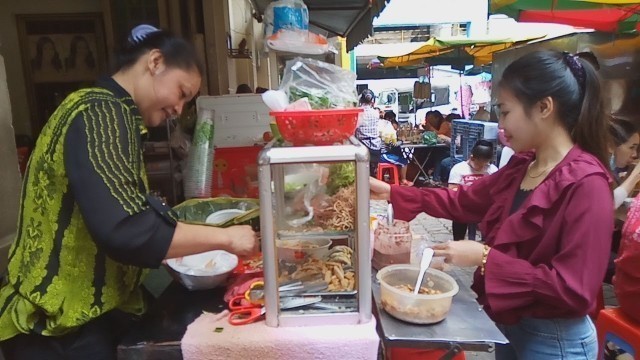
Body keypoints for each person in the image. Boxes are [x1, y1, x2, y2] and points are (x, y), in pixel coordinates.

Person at [0, 24, 258, 360]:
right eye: (181, 92)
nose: (180, 109)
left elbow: (130, 208)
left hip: (93, 316)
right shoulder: (99, 112)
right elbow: (127, 229)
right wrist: (226, 239)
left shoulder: (113, 113)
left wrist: (173, 244)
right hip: (57, 328)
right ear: (155, 62)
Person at [370, 50, 612, 359]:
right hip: (509, 324)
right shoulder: (523, 167)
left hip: (555, 340)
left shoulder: (586, 183)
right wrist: (392, 192)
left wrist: (485, 257)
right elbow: (463, 201)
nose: (501, 123)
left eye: (506, 111)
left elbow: (574, 290)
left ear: (543, 107)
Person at [448, 140, 498, 240]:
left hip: (484, 207)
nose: (481, 167)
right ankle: (459, 241)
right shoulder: (459, 169)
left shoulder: (492, 170)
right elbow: (452, 190)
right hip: (464, 206)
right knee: (459, 217)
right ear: (472, 158)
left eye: (485, 164)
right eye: (479, 164)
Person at [609, 116, 640, 208]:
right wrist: (635, 175)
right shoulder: (595, 171)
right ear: (611, 145)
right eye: (631, 147)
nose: (635, 154)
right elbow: (609, 204)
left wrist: (632, 172)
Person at [379, 112, 413, 186]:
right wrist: (402, 141)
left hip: (385, 153)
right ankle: (403, 180)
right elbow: (393, 145)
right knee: (404, 162)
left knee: (399, 157)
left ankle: (397, 178)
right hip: (384, 155)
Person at [355, 89, 381, 177]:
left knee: (362, 173)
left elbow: (355, 128)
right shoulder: (376, 113)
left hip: (363, 148)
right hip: (376, 147)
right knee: (372, 173)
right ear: (372, 100)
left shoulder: (358, 112)